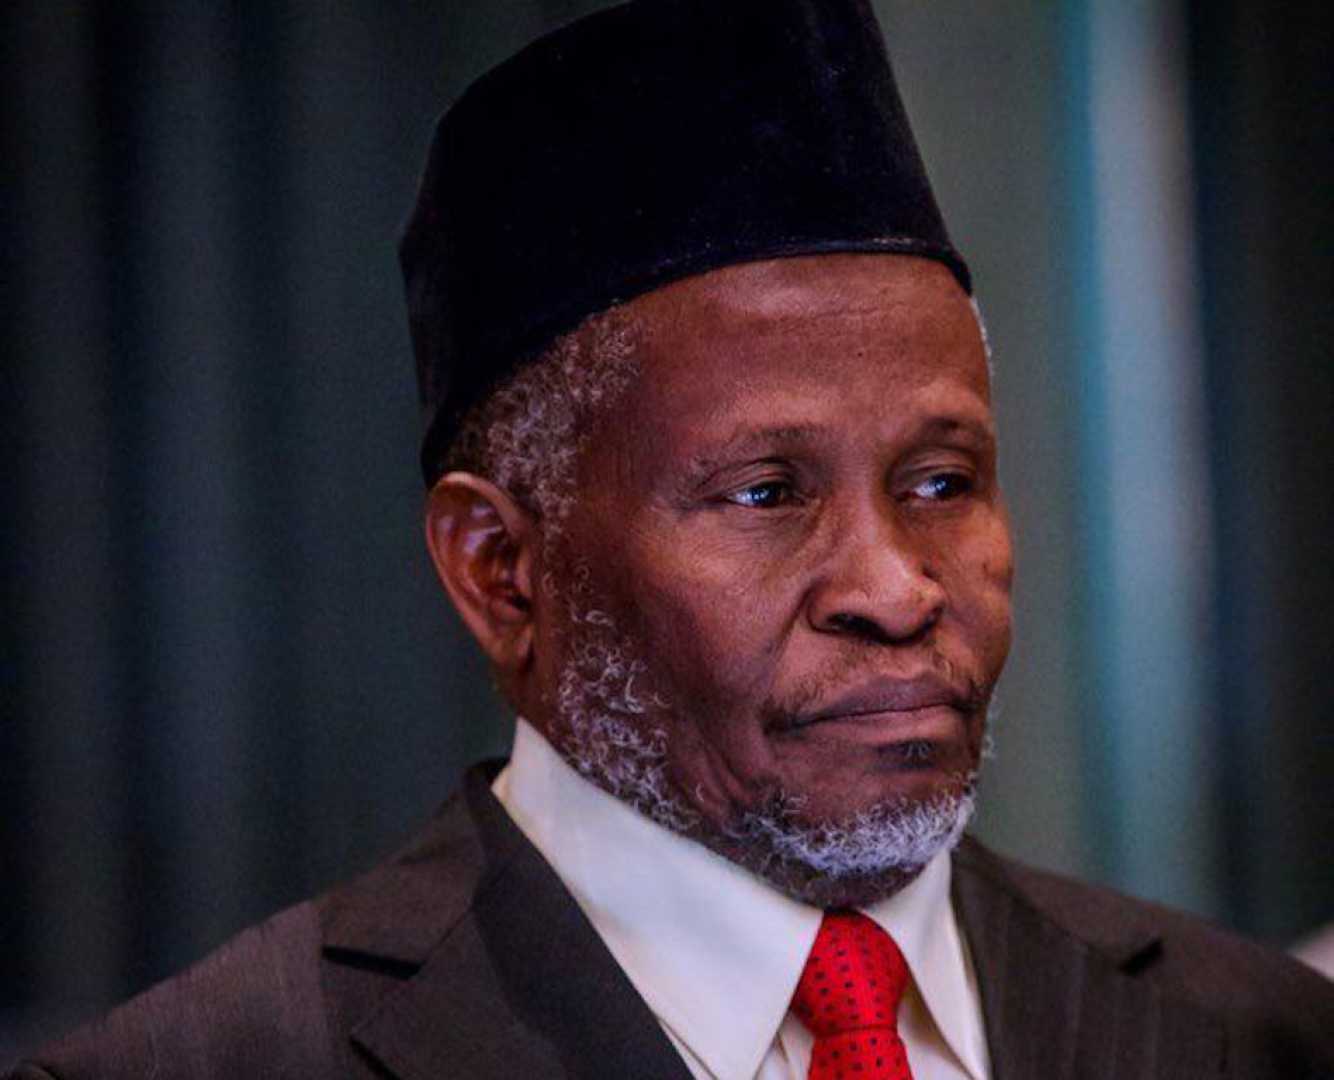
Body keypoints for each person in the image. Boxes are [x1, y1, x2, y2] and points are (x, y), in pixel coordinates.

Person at [9, 0, 1334, 1077]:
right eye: (764, 495)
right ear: (502, 572)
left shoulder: (1257, 1036)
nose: (894, 588)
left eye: (941, 482)